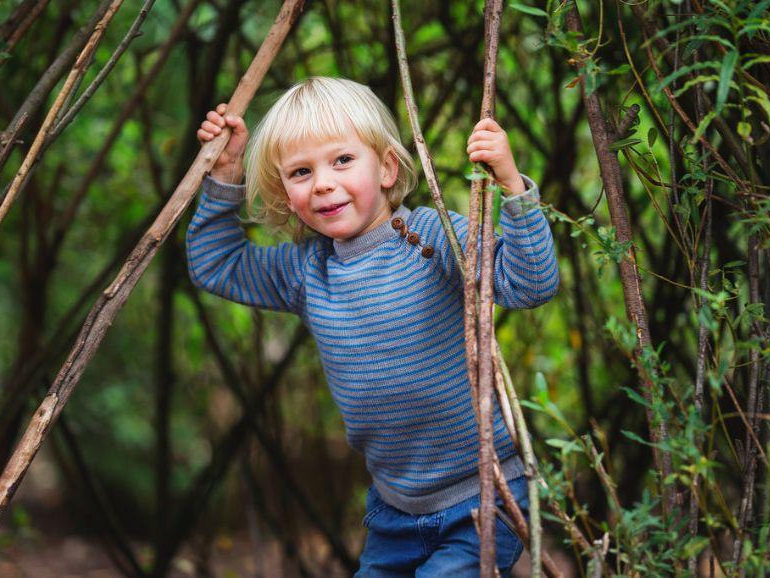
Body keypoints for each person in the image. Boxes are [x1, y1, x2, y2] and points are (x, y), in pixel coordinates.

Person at [188, 76, 559, 576]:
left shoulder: (434, 237)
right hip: (395, 511)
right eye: (301, 171)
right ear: (285, 191)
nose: (322, 182)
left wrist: (511, 185)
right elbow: (216, 263)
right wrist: (225, 175)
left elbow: (531, 284)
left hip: (486, 496)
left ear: (386, 167)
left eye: (342, 161)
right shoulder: (306, 270)